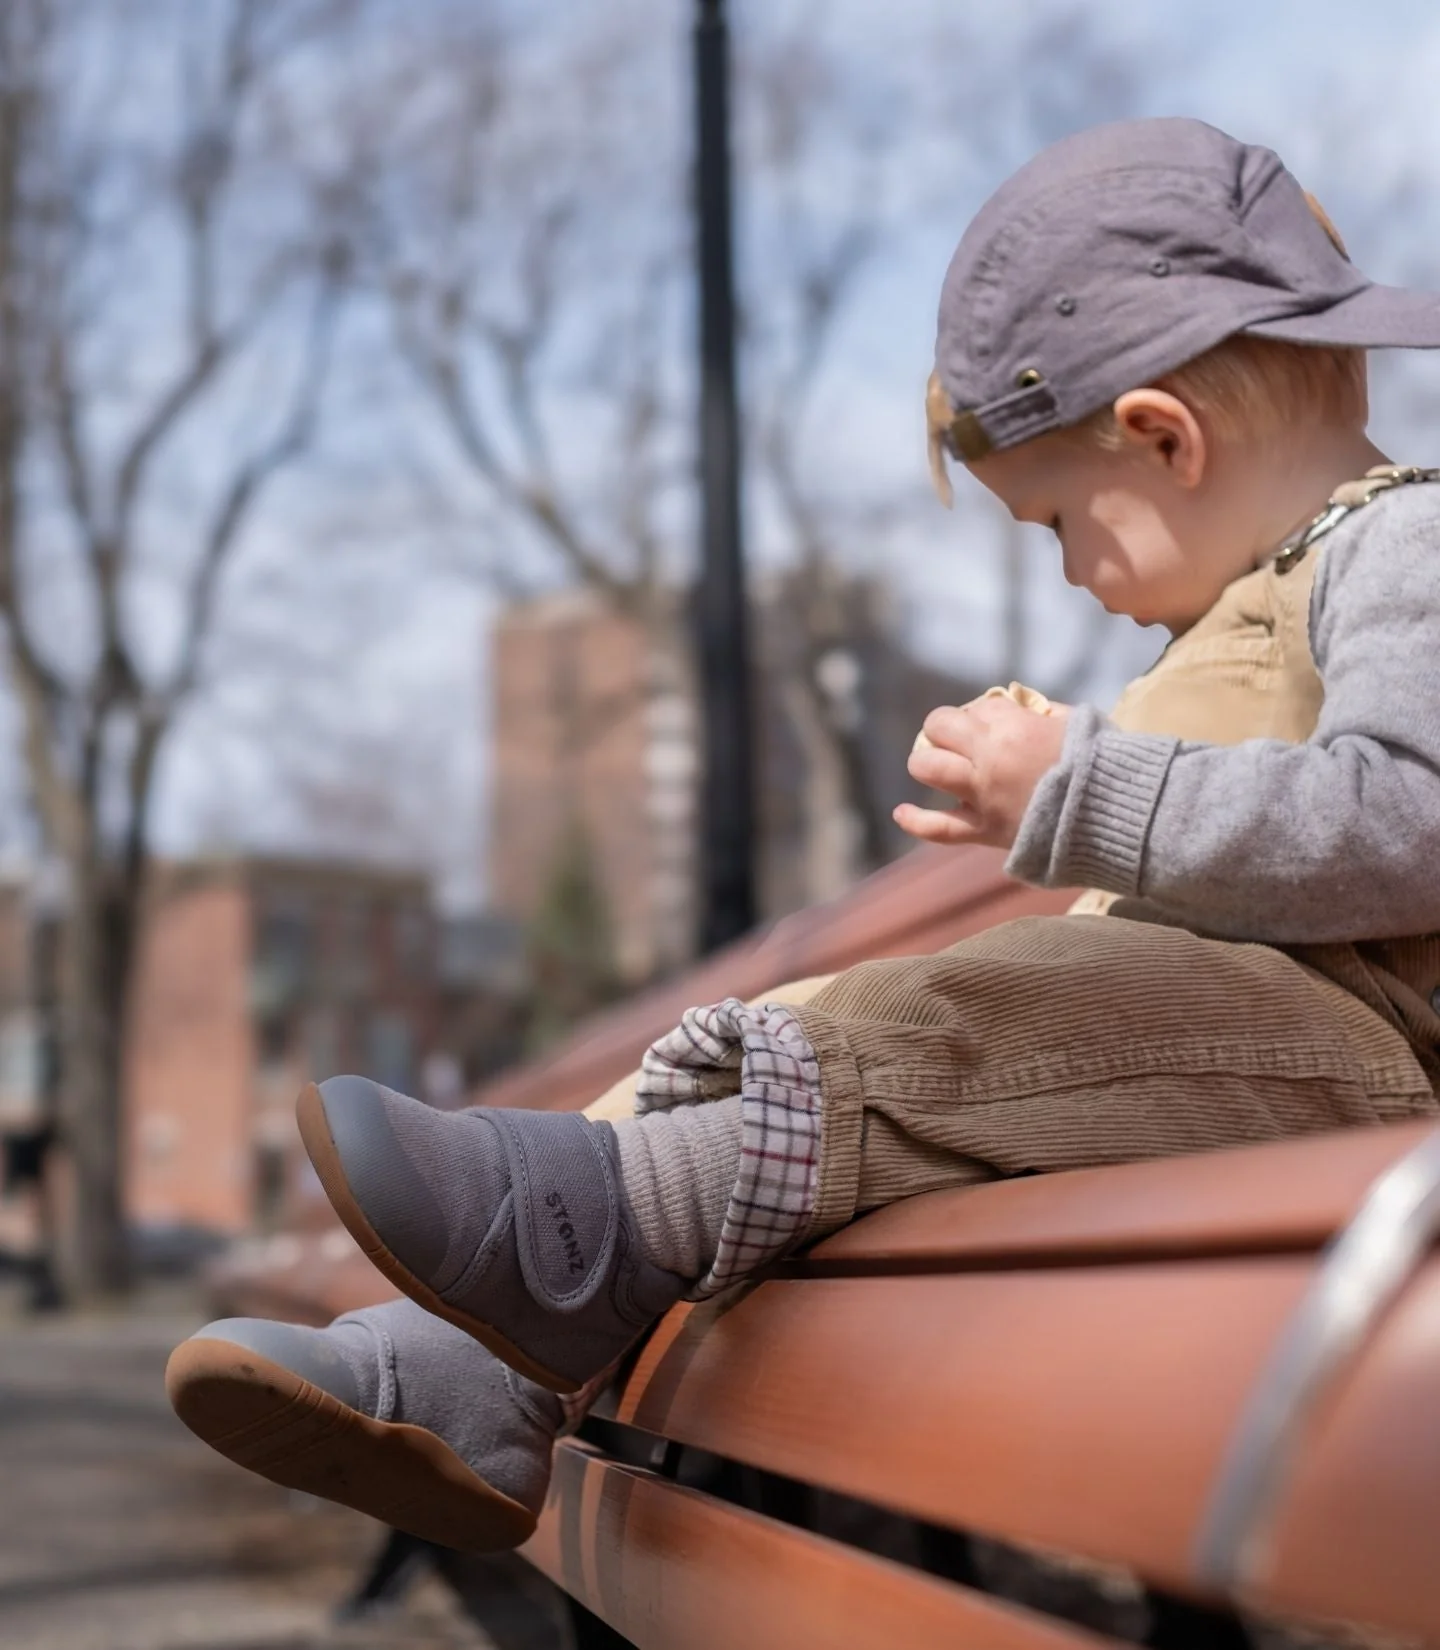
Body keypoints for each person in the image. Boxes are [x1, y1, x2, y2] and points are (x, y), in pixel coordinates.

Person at [167, 115, 1440, 1549]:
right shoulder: (1248, 598)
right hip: (1209, 1068)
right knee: (850, 1016)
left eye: (1061, 523)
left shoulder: (1405, 545)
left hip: (1359, 1065)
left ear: (1163, 435)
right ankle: (465, 1375)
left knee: (982, 1010)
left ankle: (569, 1241)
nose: (1077, 574)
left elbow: (1413, 819)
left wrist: (1086, 789)